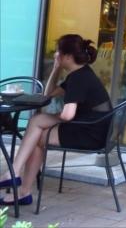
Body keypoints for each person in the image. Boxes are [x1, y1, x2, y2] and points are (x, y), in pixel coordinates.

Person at [0, 35, 111, 206]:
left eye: (59, 51)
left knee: (37, 127)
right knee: (36, 127)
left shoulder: (79, 78)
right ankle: (18, 184)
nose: (56, 54)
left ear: (68, 56)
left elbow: (67, 115)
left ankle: (18, 182)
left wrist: (50, 119)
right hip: (94, 129)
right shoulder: (81, 73)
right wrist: (56, 68)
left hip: (90, 133)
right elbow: (48, 94)